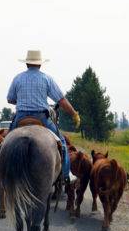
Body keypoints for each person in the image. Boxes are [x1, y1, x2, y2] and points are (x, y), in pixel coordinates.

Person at [7, 50, 80, 182]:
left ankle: (1, 173)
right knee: (62, 143)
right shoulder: (46, 79)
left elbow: (10, 99)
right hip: (41, 117)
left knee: (4, 143)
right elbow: (61, 101)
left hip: (21, 117)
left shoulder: (17, 78)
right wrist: (74, 113)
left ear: (27, 64)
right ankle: (66, 174)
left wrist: (23, 100)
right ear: (40, 64)